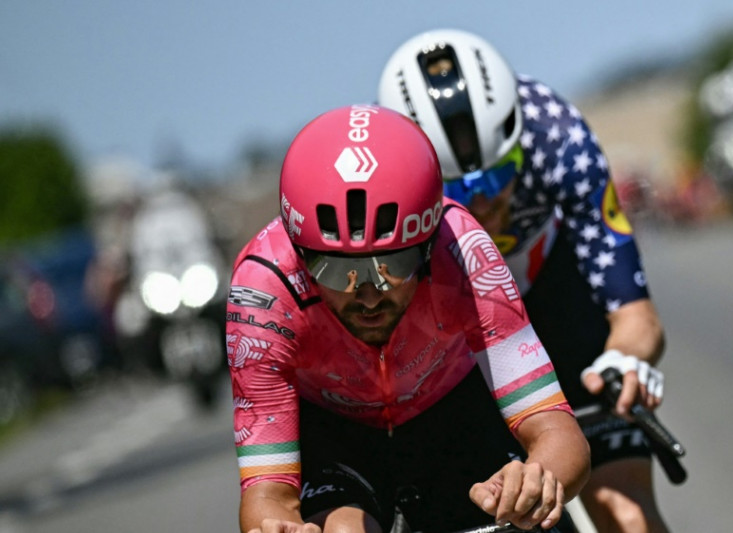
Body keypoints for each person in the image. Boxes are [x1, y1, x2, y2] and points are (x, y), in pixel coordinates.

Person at [226, 104, 590, 533]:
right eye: (337, 270)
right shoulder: (263, 289)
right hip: (337, 435)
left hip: (453, 415)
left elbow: (558, 434)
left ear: (429, 243)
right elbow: (268, 495)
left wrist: (537, 480)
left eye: (392, 266)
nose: (367, 295)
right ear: (300, 256)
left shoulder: (463, 250)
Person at [378, 29, 669, 533]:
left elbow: (637, 318)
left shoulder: (556, 135)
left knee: (625, 512)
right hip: (459, 336)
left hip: (555, 296)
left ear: (521, 145)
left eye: (498, 174)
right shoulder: (385, 179)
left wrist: (624, 359)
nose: (483, 200)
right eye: (456, 189)